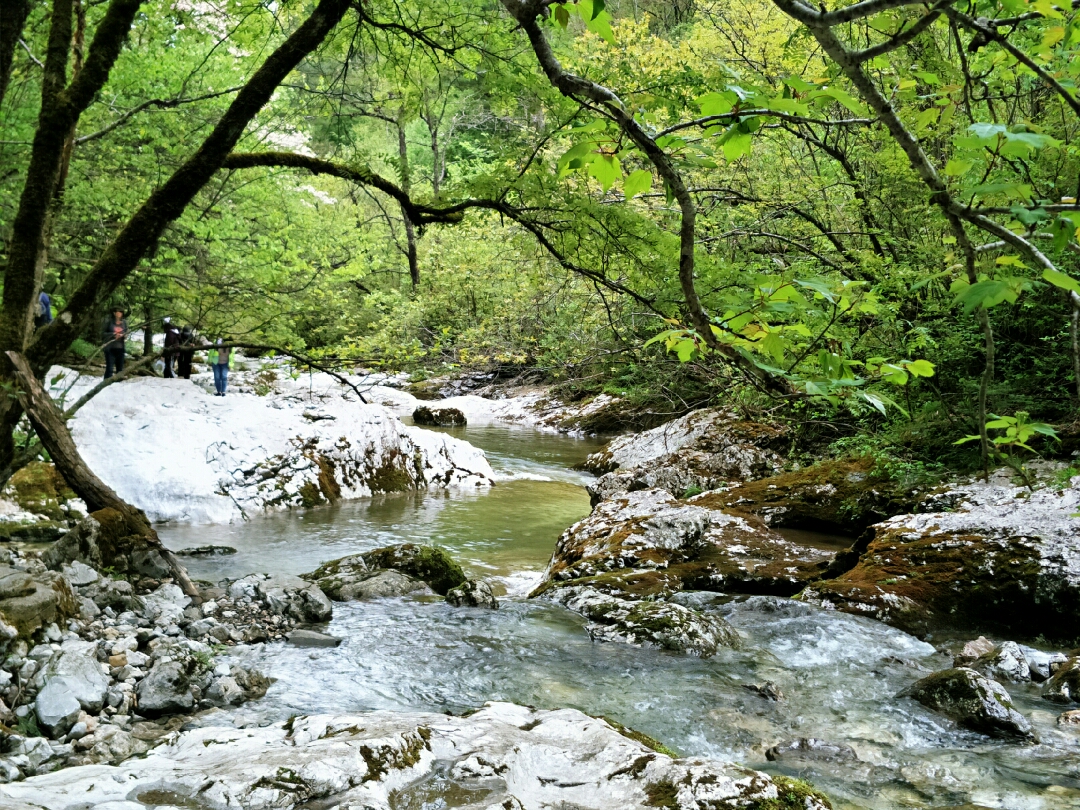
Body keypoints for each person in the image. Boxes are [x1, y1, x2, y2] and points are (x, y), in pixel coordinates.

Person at [102, 306, 127, 379]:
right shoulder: (109, 322)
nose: (120, 314)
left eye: (121, 312)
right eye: (118, 312)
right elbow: (103, 334)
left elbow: (126, 332)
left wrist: (124, 336)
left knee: (120, 370)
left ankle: (118, 386)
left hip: (120, 348)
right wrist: (113, 335)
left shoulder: (124, 323)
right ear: (114, 313)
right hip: (110, 348)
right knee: (109, 369)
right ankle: (106, 384)